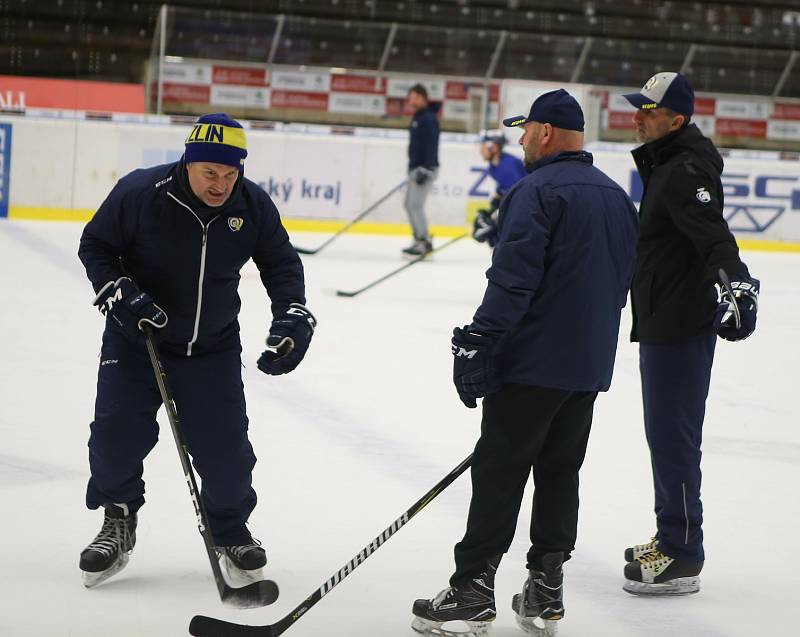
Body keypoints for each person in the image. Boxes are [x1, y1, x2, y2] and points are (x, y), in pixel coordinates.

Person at [411, 90, 639, 637]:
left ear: (545, 132)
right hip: (586, 366)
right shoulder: (615, 197)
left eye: (525, 130)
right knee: (560, 472)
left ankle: (471, 592)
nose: (519, 140)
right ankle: (545, 589)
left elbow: (513, 280)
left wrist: (480, 339)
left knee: (499, 471)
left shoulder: (535, 189)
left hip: (532, 362)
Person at [77, 113, 316, 588]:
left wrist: (292, 313)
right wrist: (120, 292)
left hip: (211, 347)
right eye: (211, 172)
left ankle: (230, 530)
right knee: (114, 439)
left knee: (227, 452)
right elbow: (96, 246)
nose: (221, 184)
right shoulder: (142, 192)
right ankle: (118, 519)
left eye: (230, 174)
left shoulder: (252, 204)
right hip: (137, 341)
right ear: (188, 162)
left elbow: (281, 263)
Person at [620, 72, 760, 595]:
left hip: (678, 324)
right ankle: (669, 534)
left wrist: (738, 284)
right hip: (664, 318)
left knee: (673, 437)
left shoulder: (683, 170)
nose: (637, 117)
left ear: (675, 120)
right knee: (665, 435)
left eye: (648, 111)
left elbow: (713, 236)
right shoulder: (667, 163)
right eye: (638, 108)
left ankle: (681, 552)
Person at [403, 83, 440, 258]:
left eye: (414, 97)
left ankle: (424, 242)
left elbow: (432, 145)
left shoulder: (428, 118)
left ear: (422, 98)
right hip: (415, 168)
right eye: (410, 97)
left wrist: (426, 168)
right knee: (409, 205)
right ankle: (418, 239)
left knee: (415, 205)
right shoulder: (418, 117)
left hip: (425, 169)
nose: (411, 100)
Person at [472, 131, 527, 248]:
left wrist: (497, 216)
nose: (480, 151)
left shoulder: (508, 165)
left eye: (483, 146)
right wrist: (493, 207)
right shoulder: (494, 166)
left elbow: (521, 194)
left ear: (494, 147)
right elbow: (503, 189)